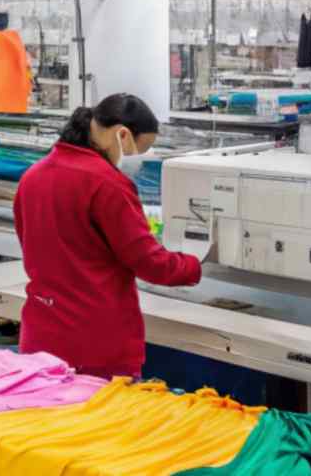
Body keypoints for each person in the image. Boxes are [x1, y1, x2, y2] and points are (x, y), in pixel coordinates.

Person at [12, 93, 203, 379]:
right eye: (143, 149)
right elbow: (148, 262)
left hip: (41, 338)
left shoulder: (33, 176)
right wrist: (197, 263)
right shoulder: (108, 185)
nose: (139, 160)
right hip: (94, 346)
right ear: (123, 135)